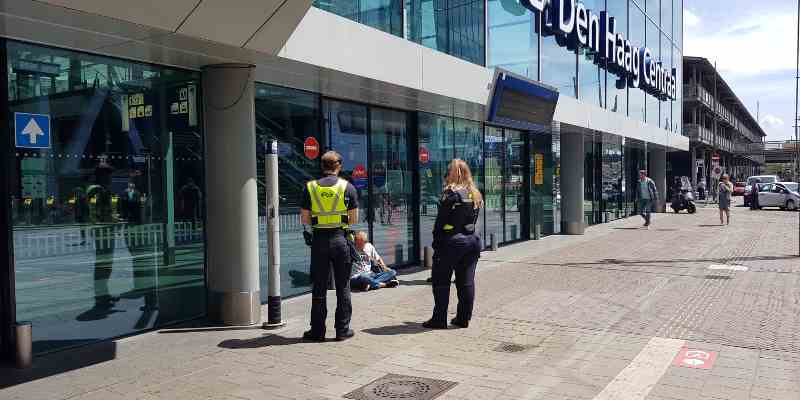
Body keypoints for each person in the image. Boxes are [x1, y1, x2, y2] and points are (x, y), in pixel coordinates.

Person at [300, 150, 359, 342]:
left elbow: (305, 218)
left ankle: (317, 331)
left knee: (319, 287)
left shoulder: (310, 187)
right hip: (340, 240)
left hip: (319, 241)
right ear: (339, 166)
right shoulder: (347, 187)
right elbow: (353, 219)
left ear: (322, 166)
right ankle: (342, 330)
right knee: (343, 286)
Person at [424, 159, 482, 330]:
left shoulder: (451, 193)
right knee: (466, 282)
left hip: (451, 243)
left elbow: (441, 221)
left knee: (440, 281)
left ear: (455, 173)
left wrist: (437, 241)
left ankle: (439, 319)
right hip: (472, 241)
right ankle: (463, 318)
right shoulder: (475, 193)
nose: (446, 174)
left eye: (449, 170)